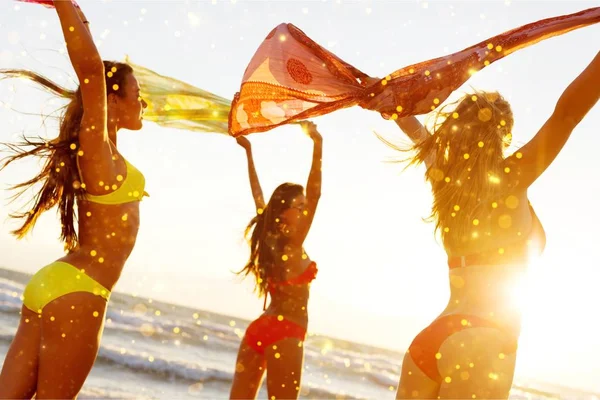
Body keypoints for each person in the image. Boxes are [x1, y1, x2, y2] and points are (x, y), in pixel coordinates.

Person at [388, 50, 600, 399]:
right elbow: (566, 116)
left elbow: (417, 132)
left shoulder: (446, 183)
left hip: (431, 340)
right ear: (502, 134)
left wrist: (391, 105)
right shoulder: (511, 176)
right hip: (481, 342)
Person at [0, 1, 148, 397]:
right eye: (137, 94)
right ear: (111, 101)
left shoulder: (105, 153)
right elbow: (91, 72)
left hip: (55, 283)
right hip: (80, 292)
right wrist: (64, 5)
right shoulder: (96, 149)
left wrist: (77, 14)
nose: (144, 103)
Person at [229, 121, 322, 400]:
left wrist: (248, 153)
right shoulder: (293, 243)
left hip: (260, 329)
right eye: (300, 206)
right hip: (286, 332)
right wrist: (318, 144)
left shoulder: (270, 239)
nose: (305, 210)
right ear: (284, 213)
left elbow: (258, 196)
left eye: (304, 207)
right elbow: (316, 193)